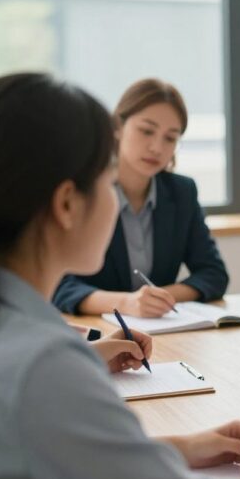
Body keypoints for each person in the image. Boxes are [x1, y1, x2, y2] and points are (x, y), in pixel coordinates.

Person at [0, 73, 240, 479]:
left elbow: (41, 451)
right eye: (106, 181)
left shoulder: (6, 328)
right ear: (68, 202)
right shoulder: (44, 365)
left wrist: (184, 447)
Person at [53, 78, 229, 317]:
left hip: (162, 332)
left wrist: (158, 299)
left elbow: (214, 274)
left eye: (170, 138)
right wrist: (126, 303)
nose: (157, 147)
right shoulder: (85, 190)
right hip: (97, 333)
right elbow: (59, 285)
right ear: (118, 127)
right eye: (146, 131)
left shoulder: (182, 192)